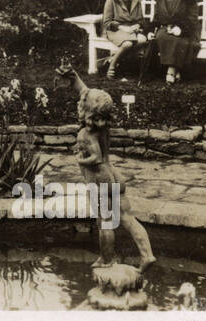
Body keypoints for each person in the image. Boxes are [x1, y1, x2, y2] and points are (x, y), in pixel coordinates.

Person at [55, 62, 156, 271]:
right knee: (128, 217)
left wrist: (79, 161)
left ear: (87, 110)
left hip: (99, 177)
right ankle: (147, 255)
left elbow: (95, 158)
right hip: (114, 175)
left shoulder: (86, 133)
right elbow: (85, 92)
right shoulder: (104, 125)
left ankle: (107, 259)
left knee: (105, 221)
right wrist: (73, 75)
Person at [149, 0, 200, 84]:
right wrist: (150, 30)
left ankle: (170, 71)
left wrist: (181, 29)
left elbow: (193, 18)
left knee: (179, 39)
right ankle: (176, 70)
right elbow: (156, 18)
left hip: (187, 28)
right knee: (161, 36)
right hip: (166, 28)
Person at [101, 0, 148, 79]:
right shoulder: (111, 0)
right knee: (127, 44)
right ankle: (112, 66)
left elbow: (141, 20)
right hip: (115, 30)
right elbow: (107, 22)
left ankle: (119, 63)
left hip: (132, 30)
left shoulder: (137, 0)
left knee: (143, 40)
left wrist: (137, 25)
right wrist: (122, 28)